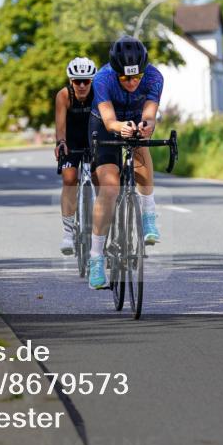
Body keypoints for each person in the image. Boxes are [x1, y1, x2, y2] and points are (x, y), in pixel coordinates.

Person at [86, 36, 163, 289]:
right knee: (109, 188)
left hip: (135, 120)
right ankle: (96, 258)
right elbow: (109, 121)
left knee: (141, 145)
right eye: (125, 79)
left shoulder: (154, 77)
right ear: (115, 73)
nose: (131, 83)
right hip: (107, 124)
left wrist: (147, 126)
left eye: (136, 77)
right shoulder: (102, 79)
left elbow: (150, 113)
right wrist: (120, 127)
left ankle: (148, 214)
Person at [54, 57, 97, 255]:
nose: (81, 85)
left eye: (86, 81)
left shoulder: (99, 92)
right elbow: (60, 126)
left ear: (92, 81)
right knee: (70, 179)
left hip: (94, 139)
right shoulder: (64, 95)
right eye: (77, 81)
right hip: (71, 141)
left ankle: (99, 219)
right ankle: (68, 233)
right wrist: (61, 143)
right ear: (71, 81)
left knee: (102, 178)